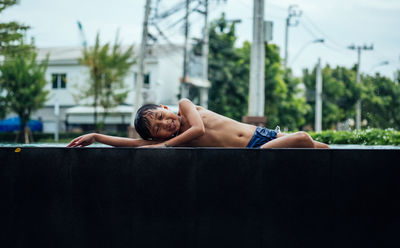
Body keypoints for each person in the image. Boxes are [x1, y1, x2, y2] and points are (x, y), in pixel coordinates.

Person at [67, 98, 329, 149]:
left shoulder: (184, 107)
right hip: (254, 153)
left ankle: (303, 139)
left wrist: (165, 146)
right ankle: (301, 138)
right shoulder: (173, 141)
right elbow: (135, 145)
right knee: (304, 143)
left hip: (266, 138)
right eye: (158, 129)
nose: (165, 124)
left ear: (165, 108)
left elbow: (199, 129)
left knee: (323, 150)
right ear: (155, 137)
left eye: (161, 117)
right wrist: (97, 137)